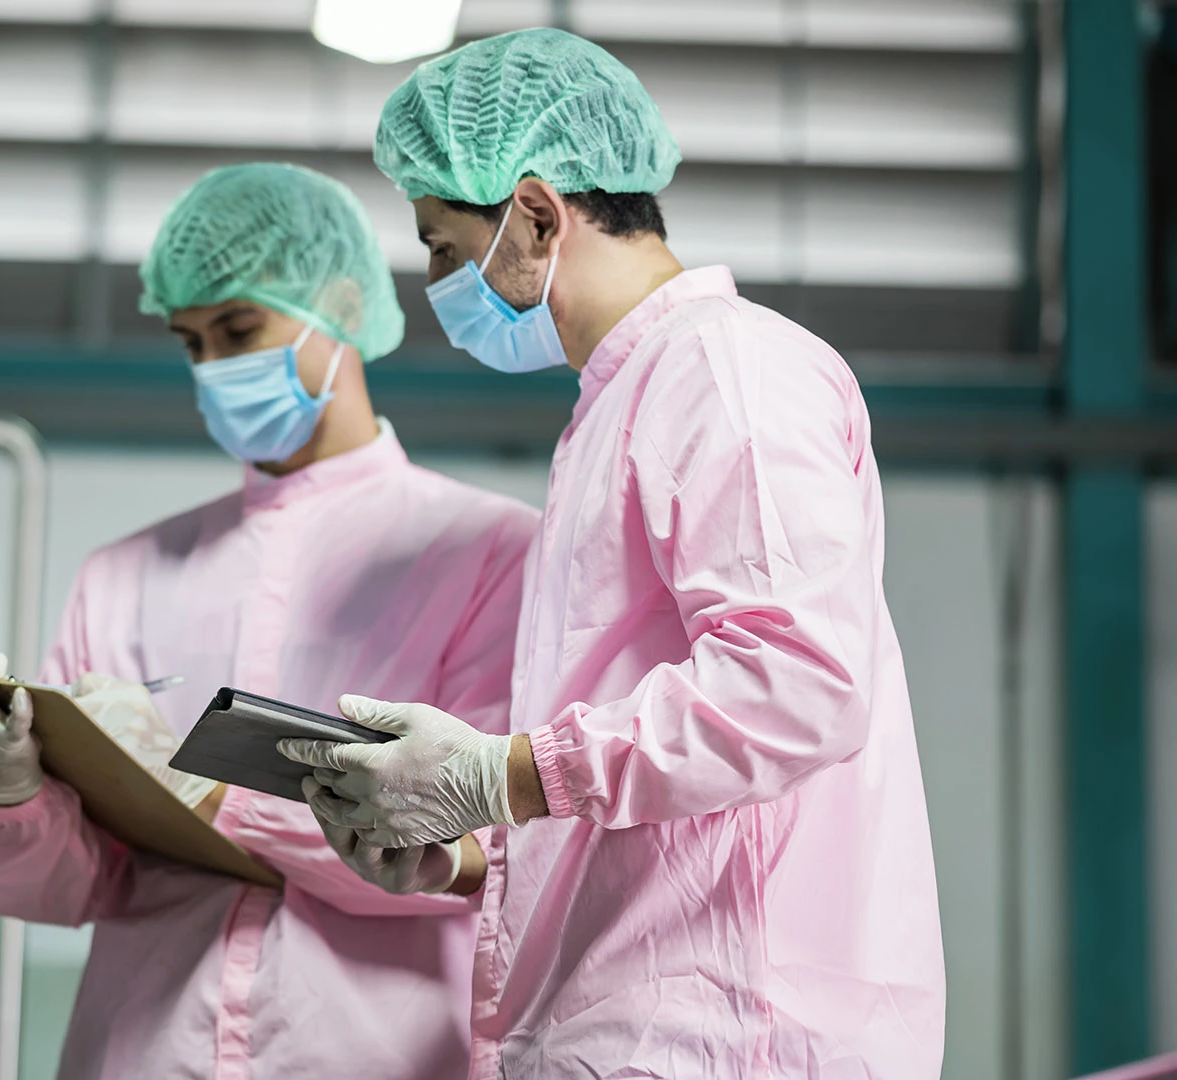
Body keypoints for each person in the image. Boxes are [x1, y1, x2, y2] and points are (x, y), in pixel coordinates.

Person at [279, 29, 946, 1079]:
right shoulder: (622, 407)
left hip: (732, 1032)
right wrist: (459, 851)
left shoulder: (726, 371)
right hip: (642, 1024)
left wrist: (499, 771)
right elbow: (639, 793)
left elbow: (798, 684)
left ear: (538, 214)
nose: (438, 283)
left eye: (446, 249)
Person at [0, 162, 542, 1079]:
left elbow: (487, 865)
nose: (215, 367)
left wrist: (204, 790)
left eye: (240, 329)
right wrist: (8, 789)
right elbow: (65, 890)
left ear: (343, 305)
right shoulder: (121, 577)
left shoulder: (489, 554)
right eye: (192, 341)